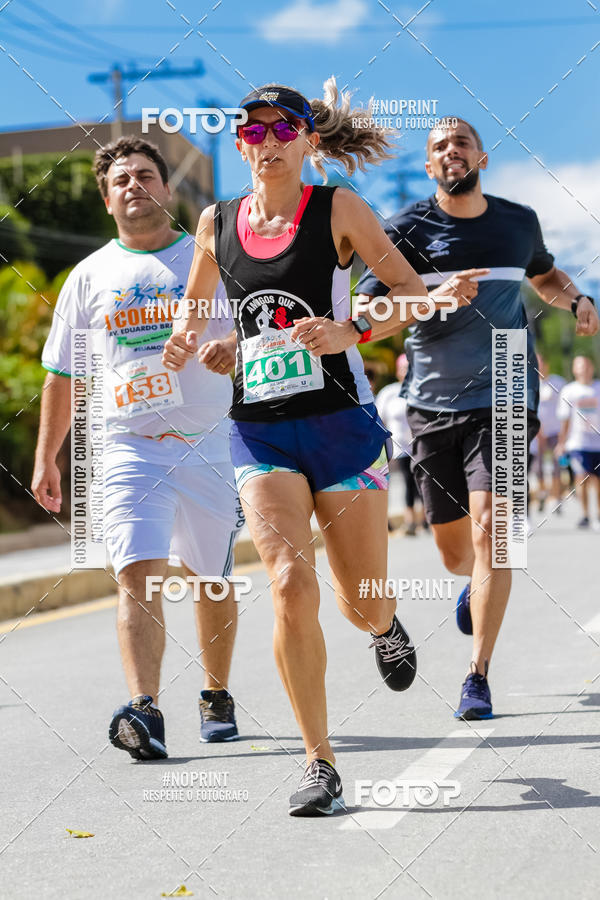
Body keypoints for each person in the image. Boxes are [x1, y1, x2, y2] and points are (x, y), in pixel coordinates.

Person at [163, 79, 437, 816]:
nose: (267, 143)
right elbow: (196, 310)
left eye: (282, 128)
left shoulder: (337, 210)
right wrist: (200, 343)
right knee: (288, 582)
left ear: (309, 139)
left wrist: (352, 330)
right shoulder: (216, 221)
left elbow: (411, 292)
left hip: (342, 428)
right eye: (252, 132)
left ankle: (384, 628)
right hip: (260, 430)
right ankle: (320, 762)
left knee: (359, 599)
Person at [355, 116, 599, 721]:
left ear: (481, 158)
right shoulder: (403, 230)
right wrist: (429, 299)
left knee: (499, 531)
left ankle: (477, 675)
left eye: (461, 142)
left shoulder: (518, 222)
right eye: (439, 146)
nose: (450, 151)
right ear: (431, 165)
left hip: (509, 385)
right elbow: (366, 308)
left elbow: (544, 274)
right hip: (433, 403)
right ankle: (473, 584)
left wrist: (577, 297)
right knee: (456, 551)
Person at [32, 136, 243, 760]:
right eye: (121, 180)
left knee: (211, 578)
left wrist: (229, 353)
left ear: (168, 190)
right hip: (128, 446)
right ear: (107, 199)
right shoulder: (89, 275)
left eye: (145, 175)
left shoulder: (207, 260)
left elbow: (252, 340)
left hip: (209, 443)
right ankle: (146, 711)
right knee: (137, 575)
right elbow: (62, 374)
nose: (134, 186)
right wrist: (48, 456)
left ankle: (215, 692)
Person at [376, 353, 426, 535]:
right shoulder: (389, 393)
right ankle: (410, 520)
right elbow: (380, 419)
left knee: (422, 483)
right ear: (398, 371)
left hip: (421, 446)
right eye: (403, 369)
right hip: (400, 448)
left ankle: (425, 519)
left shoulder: (421, 389)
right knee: (407, 481)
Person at [556, 356, 600, 529]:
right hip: (577, 443)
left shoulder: (598, 388)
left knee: (597, 479)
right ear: (575, 370)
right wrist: (561, 443)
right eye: (580, 366)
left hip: (597, 443)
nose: (584, 369)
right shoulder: (569, 391)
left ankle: (597, 513)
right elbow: (564, 420)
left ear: (592, 367)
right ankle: (585, 514)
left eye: (587, 365)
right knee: (582, 476)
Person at [530, 353, 566, 514]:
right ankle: (544, 493)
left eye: (541, 363)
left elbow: (566, 408)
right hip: (537, 433)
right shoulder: (529, 385)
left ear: (546, 365)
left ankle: (557, 497)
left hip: (556, 432)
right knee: (538, 468)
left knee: (557, 466)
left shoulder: (558, 383)